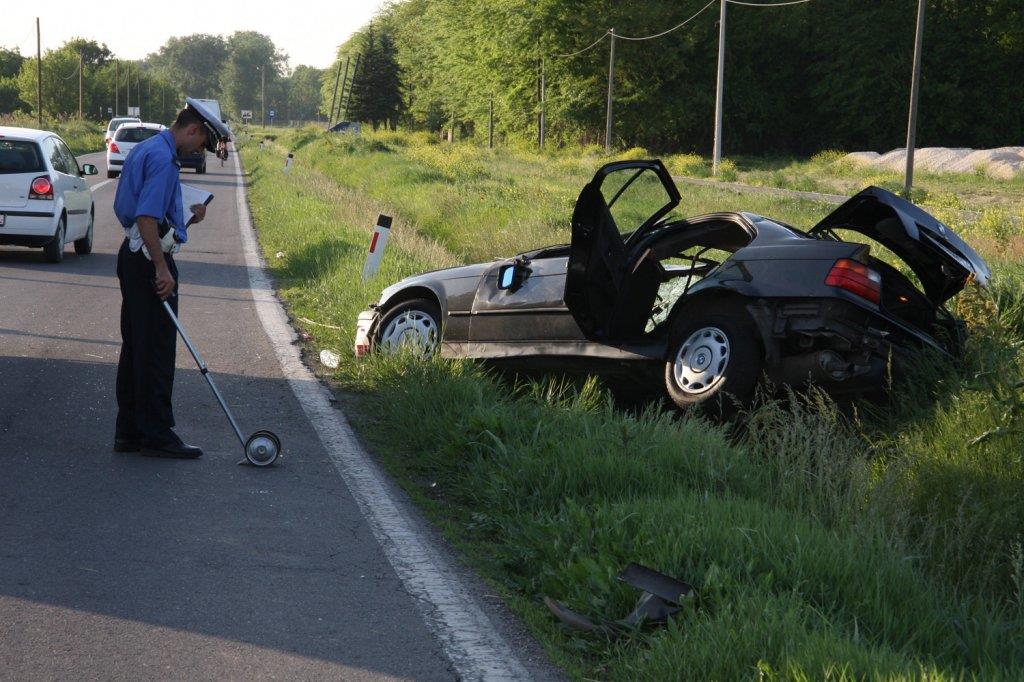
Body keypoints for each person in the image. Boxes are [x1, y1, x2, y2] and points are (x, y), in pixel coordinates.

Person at [112, 101, 225, 458]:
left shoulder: (149, 148)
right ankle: (156, 434)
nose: (198, 151)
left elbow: (151, 212)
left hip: (134, 255)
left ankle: (129, 431)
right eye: (201, 143)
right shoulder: (163, 160)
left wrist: (189, 217)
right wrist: (161, 269)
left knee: (136, 347)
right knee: (156, 350)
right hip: (148, 259)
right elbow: (147, 217)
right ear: (193, 129)